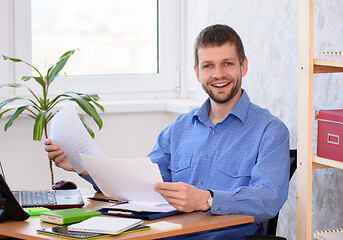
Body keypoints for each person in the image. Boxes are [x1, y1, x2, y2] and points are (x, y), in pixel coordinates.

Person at [45, 24, 290, 239]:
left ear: (243, 66)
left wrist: (207, 199)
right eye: (208, 66)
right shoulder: (179, 128)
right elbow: (141, 185)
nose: (218, 74)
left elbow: (268, 198)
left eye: (227, 64)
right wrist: (83, 167)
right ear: (197, 73)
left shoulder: (270, 131)